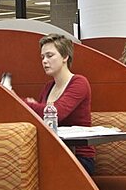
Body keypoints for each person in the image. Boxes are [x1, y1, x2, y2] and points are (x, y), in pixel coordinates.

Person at [24, 33, 95, 175]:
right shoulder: (48, 87)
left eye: (50, 56)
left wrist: (25, 104)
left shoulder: (79, 82)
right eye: (42, 57)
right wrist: (35, 107)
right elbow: (41, 118)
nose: (44, 61)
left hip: (79, 156)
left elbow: (56, 113)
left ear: (65, 57)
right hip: (54, 152)